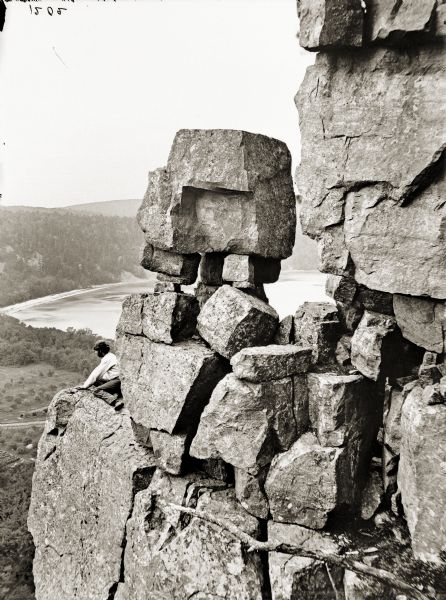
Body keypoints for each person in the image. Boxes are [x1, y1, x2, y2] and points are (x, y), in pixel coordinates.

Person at [74, 340, 123, 409]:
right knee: (96, 381)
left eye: (96, 350)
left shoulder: (108, 358)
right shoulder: (110, 356)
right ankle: (115, 393)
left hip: (117, 381)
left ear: (100, 351)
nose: (95, 352)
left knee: (96, 390)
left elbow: (96, 373)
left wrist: (85, 386)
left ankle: (116, 402)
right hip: (115, 380)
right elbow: (101, 376)